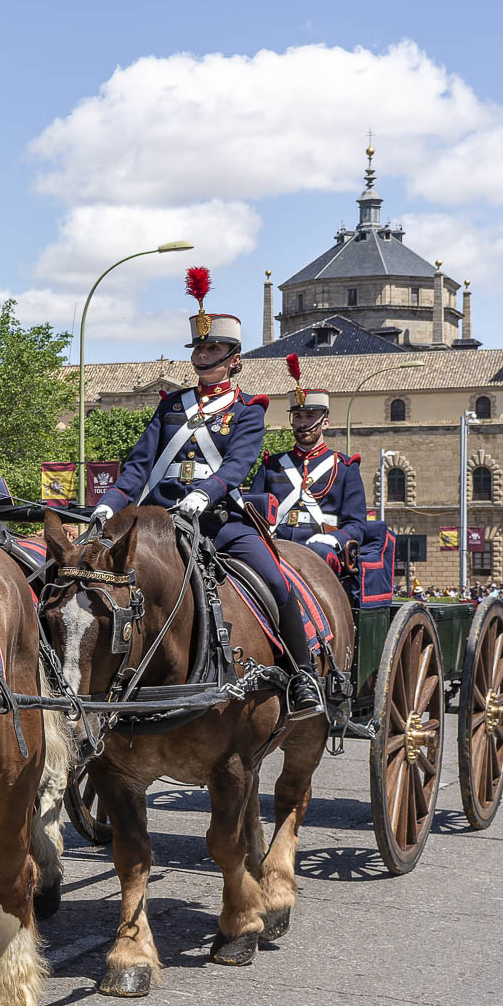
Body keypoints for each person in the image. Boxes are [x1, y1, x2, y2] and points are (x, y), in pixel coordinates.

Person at [91, 269, 323, 717]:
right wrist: (109, 504)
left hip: (220, 522)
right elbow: (139, 466)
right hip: (159, 521)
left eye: (213, 347)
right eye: (199, 348)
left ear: (234, 358)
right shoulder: (171, 406)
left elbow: (239, 464)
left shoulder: (247, 410)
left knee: (275, 580)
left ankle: (301, 676)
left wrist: (207, 493)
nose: (204, 354)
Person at [249, 355, 367, 571]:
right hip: (276, 544)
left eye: (310, 416)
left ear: (326, 423)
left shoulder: (344, 467)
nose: (302, 423)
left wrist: (335, 540)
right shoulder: (271, 465)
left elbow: (357, 525)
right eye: (297, 416)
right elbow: (254, 512)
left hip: (322, 548)